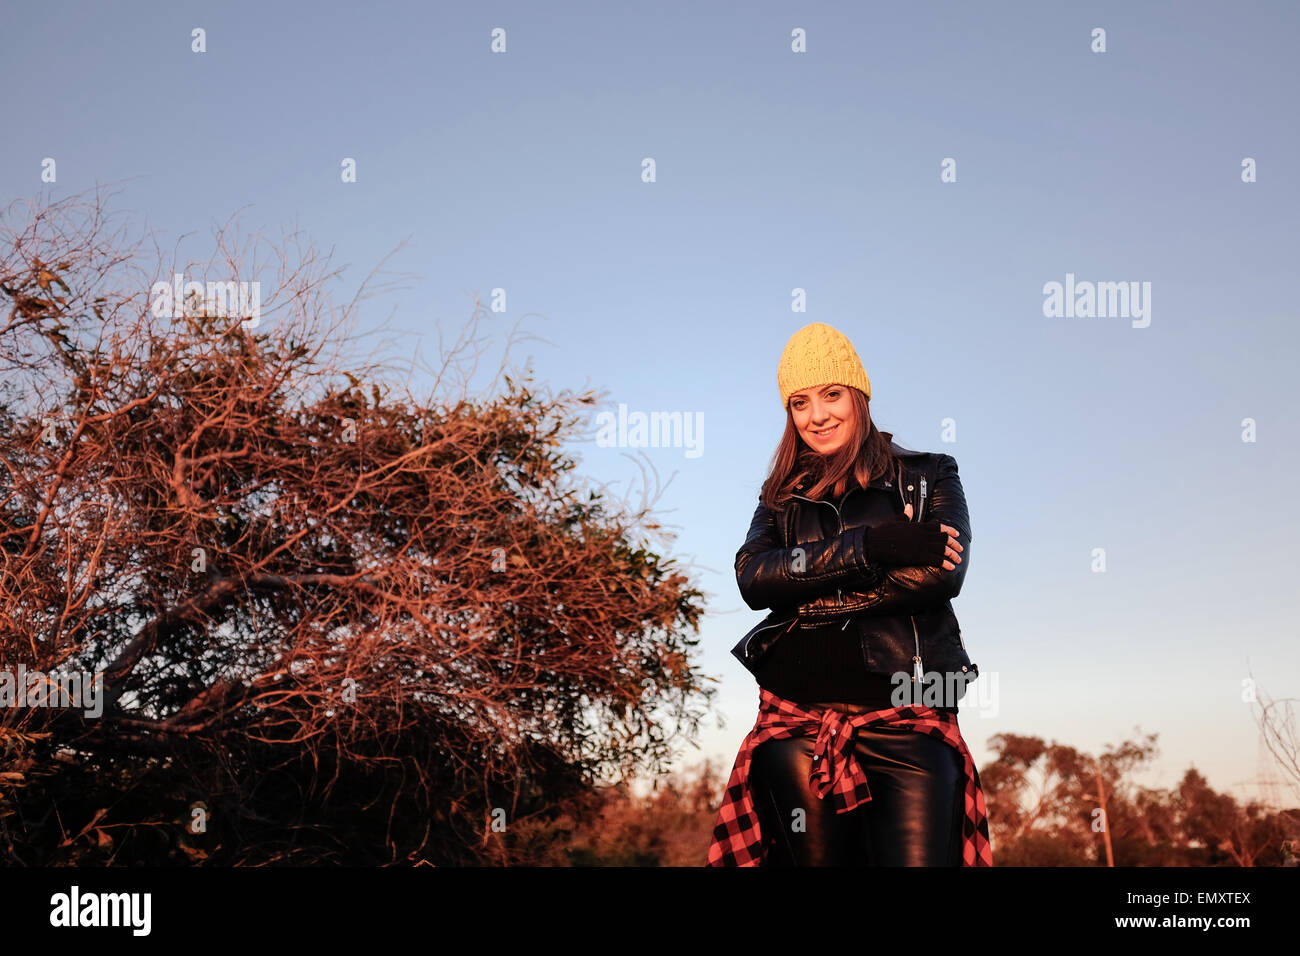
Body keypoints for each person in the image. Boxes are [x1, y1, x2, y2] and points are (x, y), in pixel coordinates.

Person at [706, 322, 992, 867]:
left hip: (910, 721)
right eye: (799, 403)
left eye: (831, 395)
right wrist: (873, 544)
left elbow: (939, 576)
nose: (817, 416)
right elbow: (753, 577)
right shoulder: (780, 497)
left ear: (858, 395)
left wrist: (808, 600)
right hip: (796, 726)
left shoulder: (927, 476)